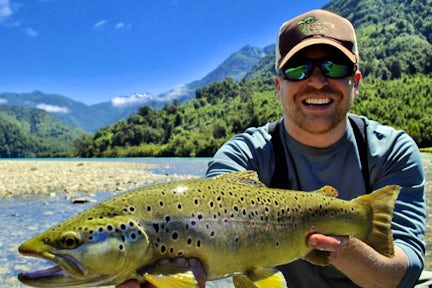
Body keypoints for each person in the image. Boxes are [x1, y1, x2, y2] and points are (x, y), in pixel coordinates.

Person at [117, 9, 425, 288]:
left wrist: (336, 244)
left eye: (334, 66)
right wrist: (179, 276)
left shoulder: (391, 150)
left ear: (355, 81)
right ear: (278, 86)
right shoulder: (246, 153)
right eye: (297, 69)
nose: (317, 81)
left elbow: (403, 272)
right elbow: (209, 202)